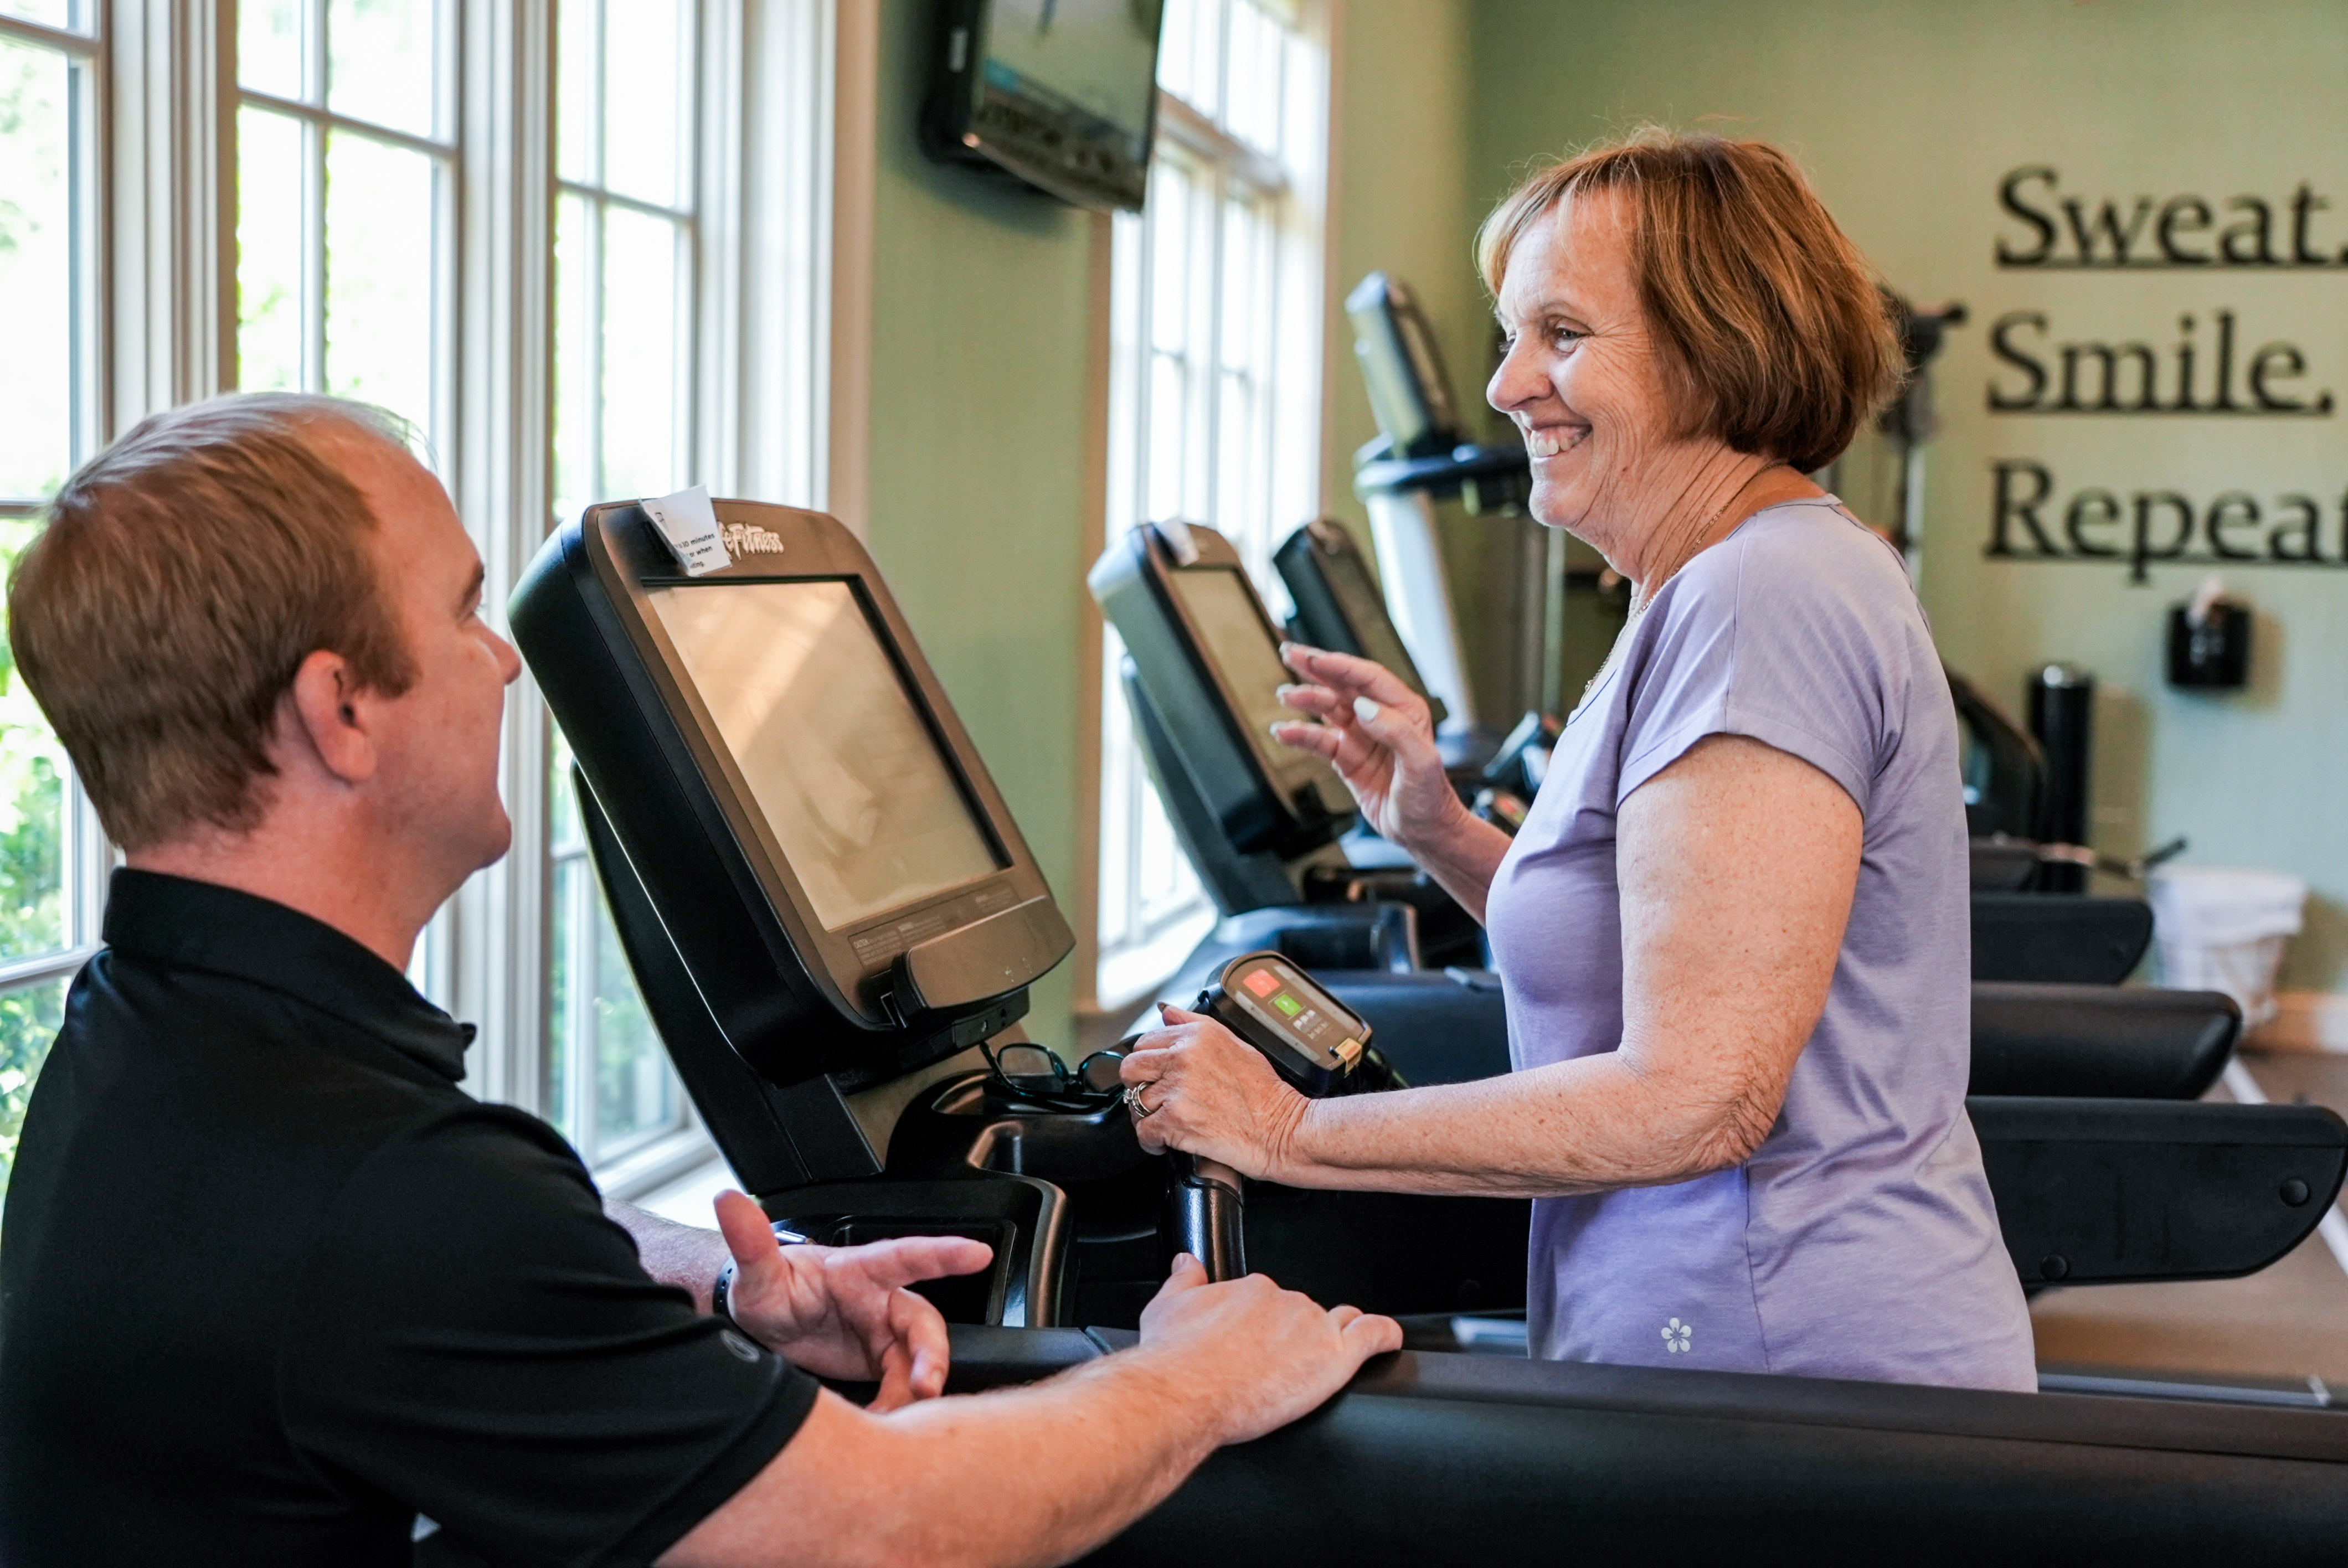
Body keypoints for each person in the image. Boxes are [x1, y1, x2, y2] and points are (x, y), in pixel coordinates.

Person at [0, 393, 1402, 1567]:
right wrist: (1194, 1376)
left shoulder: (152, 1039)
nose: (504, 662)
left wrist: (709, 1277)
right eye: (466, 612)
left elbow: (417, 1271)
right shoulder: (387, 1194)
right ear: (342, 710)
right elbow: (889, 1530)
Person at [1119, 130, 2036, 1391]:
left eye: (1560, 333)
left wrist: (1284, 1130)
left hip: (1776, 1352)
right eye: (1512, 336)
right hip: (1731, 1327)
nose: (1507, 386)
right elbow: (1665, 948)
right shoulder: (1719, 579)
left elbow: (1696, 1098)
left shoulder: (1757, 598)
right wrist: (1436, 827)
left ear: (1718, 345)